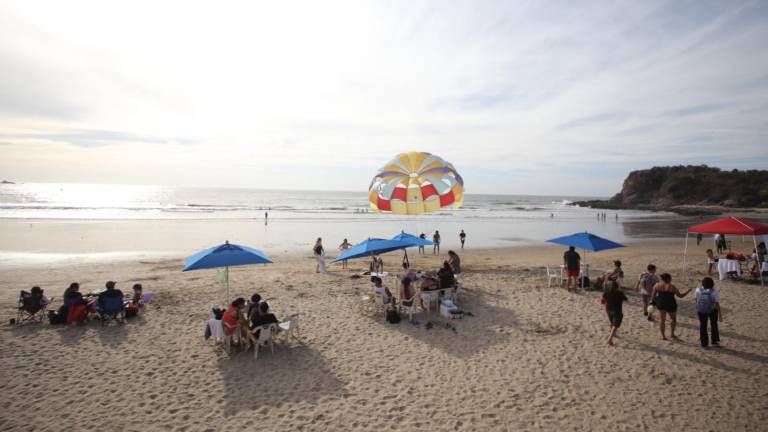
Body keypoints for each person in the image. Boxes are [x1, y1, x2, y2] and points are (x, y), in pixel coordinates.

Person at [650, 273, 692, 340]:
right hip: (671, 303)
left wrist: (653, 304)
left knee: (662, 320)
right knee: (673, 319)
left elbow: (653, 296)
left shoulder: (657, 285)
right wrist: (688, 291)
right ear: (668, 279)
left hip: (661, 303)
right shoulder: (672, 286)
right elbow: (680, 296)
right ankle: (672, 334)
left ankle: (663, 336)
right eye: (670, 278)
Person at [695, 277, 722, 348]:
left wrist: (698, 307)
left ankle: (704, 343)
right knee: (714, 325)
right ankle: (714, 341)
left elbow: (696, 299)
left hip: (701, 310)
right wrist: (720, 315)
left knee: (703, 325)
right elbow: (717, 303)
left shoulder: (698, 290)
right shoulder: (714, 292)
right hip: (712, 310)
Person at [602, 281, 627, 345]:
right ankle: (610, 339)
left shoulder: (606, 292)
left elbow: (602, 301)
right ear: (617, 287)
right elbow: (626, 299)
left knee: (612, 321)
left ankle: (613, 333)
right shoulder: (619, 293)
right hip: (617, 311)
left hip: (608, 309)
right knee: (615, 325)